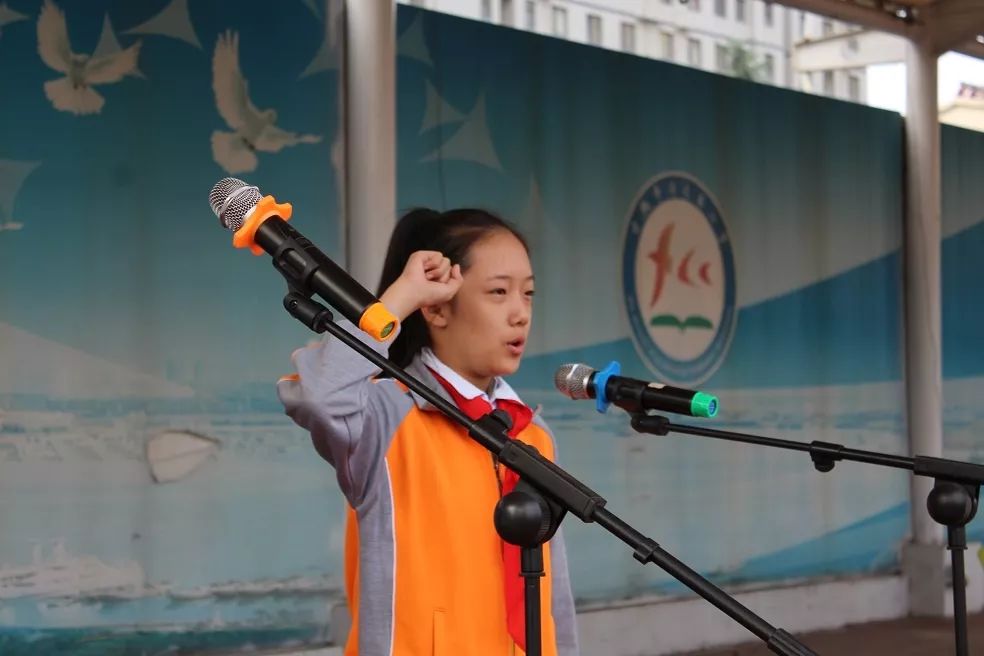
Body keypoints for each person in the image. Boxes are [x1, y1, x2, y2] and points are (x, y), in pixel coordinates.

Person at [278, 208, 579, 656]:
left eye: (528, 294)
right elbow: (322, 395)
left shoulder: (532, 433)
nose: (520, 314)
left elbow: (554, 597)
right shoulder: (386, 418)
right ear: (436, 307)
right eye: (498, 292)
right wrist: (400, 298)